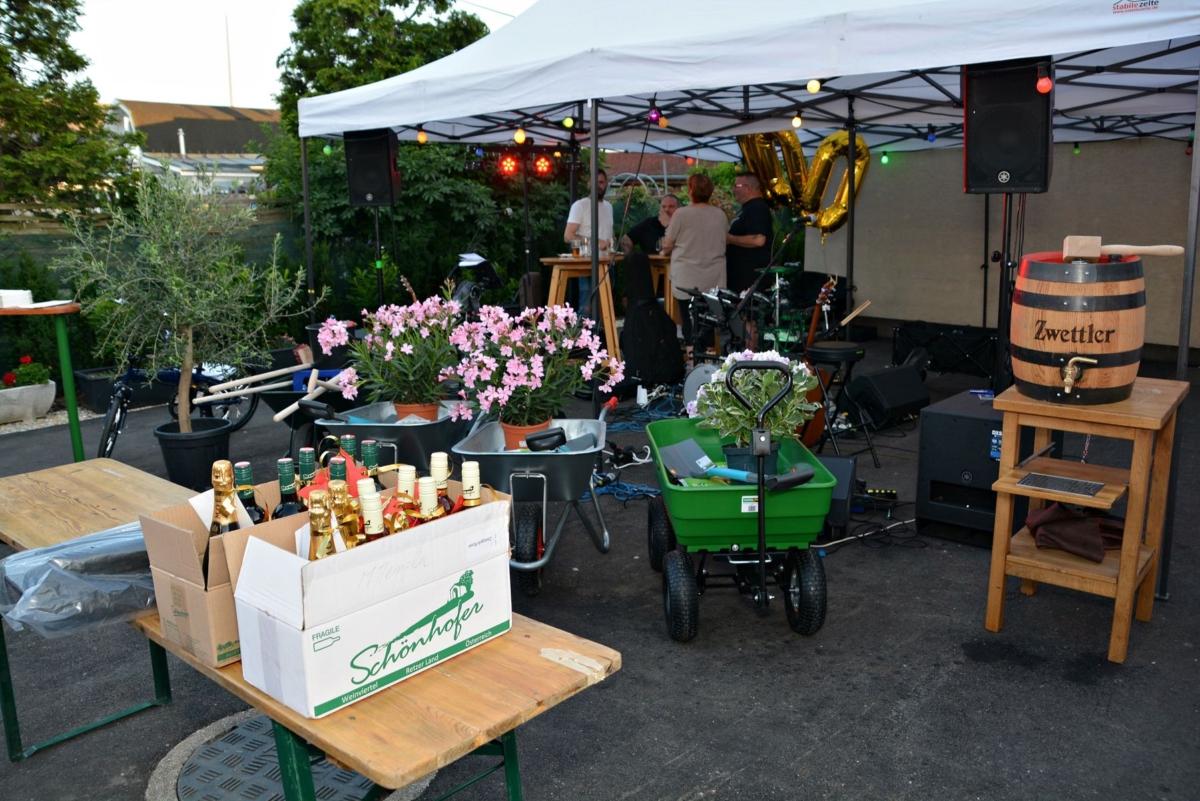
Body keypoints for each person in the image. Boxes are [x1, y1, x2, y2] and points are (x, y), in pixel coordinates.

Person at [661, 173, 728, 358]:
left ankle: (693, 358)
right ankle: (710, 356)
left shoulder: (681, 214)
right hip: (714, 277)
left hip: (687, 277)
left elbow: (667, 244)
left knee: (688, 319)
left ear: (691, 190)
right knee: (710, 320)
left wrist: (665, 245)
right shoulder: (720, 215)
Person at [563, 170, 614, 311]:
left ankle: (599, 327)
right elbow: (568, 236)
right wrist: (596, 242)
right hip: (586, 263)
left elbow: (609, 233)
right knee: (586, 307)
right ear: (588, 184)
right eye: (595, 182)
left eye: (601, 182)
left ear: (606, 184)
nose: (598, 186)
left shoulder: (609, 207)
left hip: (606, 263)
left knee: (605, 308)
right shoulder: (580, 205)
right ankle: (581, 326)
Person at [725, 173, 773, 294]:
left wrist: (729, 238)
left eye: (736, 186)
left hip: (750, 280)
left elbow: (759, 240)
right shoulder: (747, 208)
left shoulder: (757, 208)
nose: (733, 189)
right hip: (741, 278)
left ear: (748, 188)